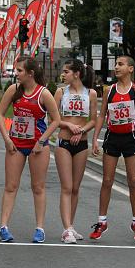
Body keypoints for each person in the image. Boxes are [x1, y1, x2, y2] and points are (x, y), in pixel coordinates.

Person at [0, 56, 60, 243]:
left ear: (30, 73)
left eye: (19, 71)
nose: (16, 73)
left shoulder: (44, 94)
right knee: (10, 186)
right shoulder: (13, 90)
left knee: (38, 187)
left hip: (37, 147)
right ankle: (3, 226)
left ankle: (40, 228)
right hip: (16, 145)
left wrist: (41, 141)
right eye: (15, 70)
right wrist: (6, 139)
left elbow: (55, 120)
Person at [90, 55, 135, 243]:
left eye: (120, 64)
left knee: (133, 181)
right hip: (112, 137)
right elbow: (102, 114)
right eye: (116, 64)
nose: (116, 67)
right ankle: (101, 221)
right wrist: (96, 138)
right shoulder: (109, 90)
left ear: (131, 68)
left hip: (131, 137)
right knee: (107, 180)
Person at [54, 59, 97, 244]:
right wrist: (69, 125)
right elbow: (52, 118)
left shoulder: (91, 93)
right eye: (63, 72)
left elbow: (93, 120)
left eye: (66, 72)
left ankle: (71, 225)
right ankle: (66, 229)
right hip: (64, 141)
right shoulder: (60, 92)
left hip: (81, 143)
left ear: (77, 73)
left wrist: (81, 131)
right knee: (66, 186)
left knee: (75, 188)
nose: (63, 75)